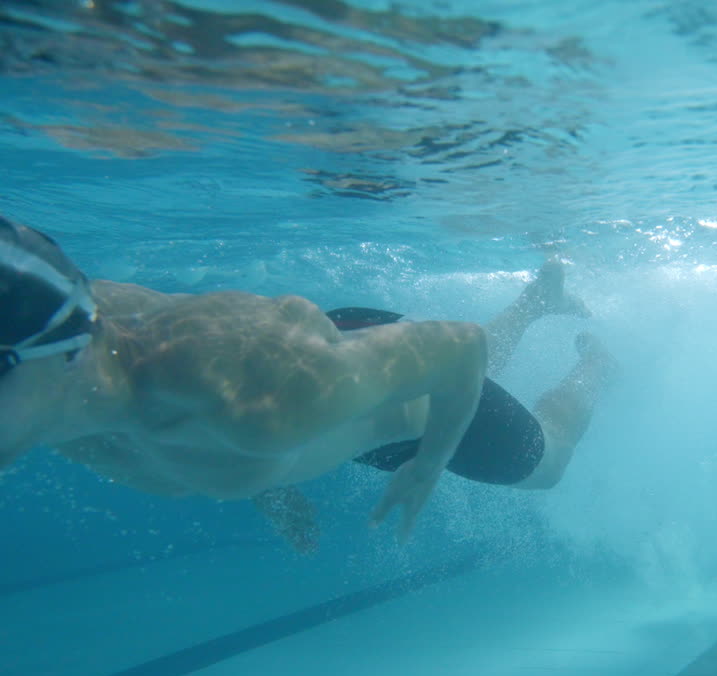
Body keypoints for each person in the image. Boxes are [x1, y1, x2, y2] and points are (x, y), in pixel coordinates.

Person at [0, 216, 616, 549]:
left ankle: (599, 367)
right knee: (456, 380)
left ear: (59, 350)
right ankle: (539, 300)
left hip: (367, 397)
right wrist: (270, 485)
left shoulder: (257, 405)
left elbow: (459, 347)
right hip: (327, 362)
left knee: (549, 460)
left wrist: (430, 463)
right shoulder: (71, 363)